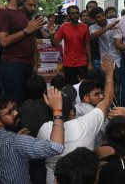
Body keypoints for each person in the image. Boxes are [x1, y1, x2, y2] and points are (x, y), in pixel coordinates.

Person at [37, 54, 115, 183]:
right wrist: (109, 74)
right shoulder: (84, 126)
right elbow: (106, 101)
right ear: (72, 112)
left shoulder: (45, 129)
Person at [0, 87, 65, 184]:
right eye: (9, 112)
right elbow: (57, 147)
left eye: (14, 108)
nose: (16, 113)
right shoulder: (16, 142)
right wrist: (57, 110)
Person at [0, 0, 45, 102]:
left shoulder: (21, 13)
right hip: (13, 65)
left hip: (27, 63)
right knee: (13, 100)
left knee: (26, 99)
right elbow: (4, 41)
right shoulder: (4, 12)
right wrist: (27, 30)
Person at [49, 5, 93, 85]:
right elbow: (55, 45)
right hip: (68, 63)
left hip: (82, 62)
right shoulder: (64, 27)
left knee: (84, 86)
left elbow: (87, 45)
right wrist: (52, 35)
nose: (75, 15)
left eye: (77, 13)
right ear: (69, 15)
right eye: (73, 13)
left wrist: (89, 62)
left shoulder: (85, 27)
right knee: (70, 86)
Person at [89, 6, 121, 98]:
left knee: (118, 87)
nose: (102, 18)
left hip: (118, 60)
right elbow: (94, 35)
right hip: (105, 62)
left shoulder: (114, 21)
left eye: (103, 15)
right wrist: (107, 28)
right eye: (98, 17)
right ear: (94, 19)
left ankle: (118, 107)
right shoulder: (93, 27)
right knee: (106, 86)